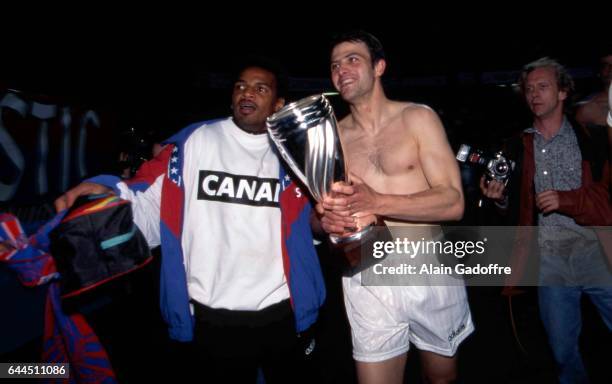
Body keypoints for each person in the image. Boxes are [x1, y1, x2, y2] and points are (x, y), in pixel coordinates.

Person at [55, 58, 326, 383]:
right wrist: (107, 193)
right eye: (240, 86)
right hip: (211, 316)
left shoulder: (296, 154)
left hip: (283, 311)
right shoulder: (194, 142)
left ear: (279, 103)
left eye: (260, 88)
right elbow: (146, 195)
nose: (247, 94)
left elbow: (311, 224)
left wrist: (330, 223)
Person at [318, 30, 473, 384]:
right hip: (366, 269)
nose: (341, 69)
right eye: (334, 65)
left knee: (441, 377)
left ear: (379, 67)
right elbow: (323, 212)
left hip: (428, 265)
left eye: (353, 59)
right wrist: (324, 219)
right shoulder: (333, 139)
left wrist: (378, 201)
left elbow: (453, 201)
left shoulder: (417, 118)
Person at [480, 57, 612, 384]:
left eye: (543, 86)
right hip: (551, 263)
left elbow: (607, 202)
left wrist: (565, 200)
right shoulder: (515, 146)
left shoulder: (592, 140)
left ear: (564, 91)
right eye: (529, 89)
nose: (534, 95)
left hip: (599, 255)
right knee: (562, 352)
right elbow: (513, 212)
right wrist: (499, 199)